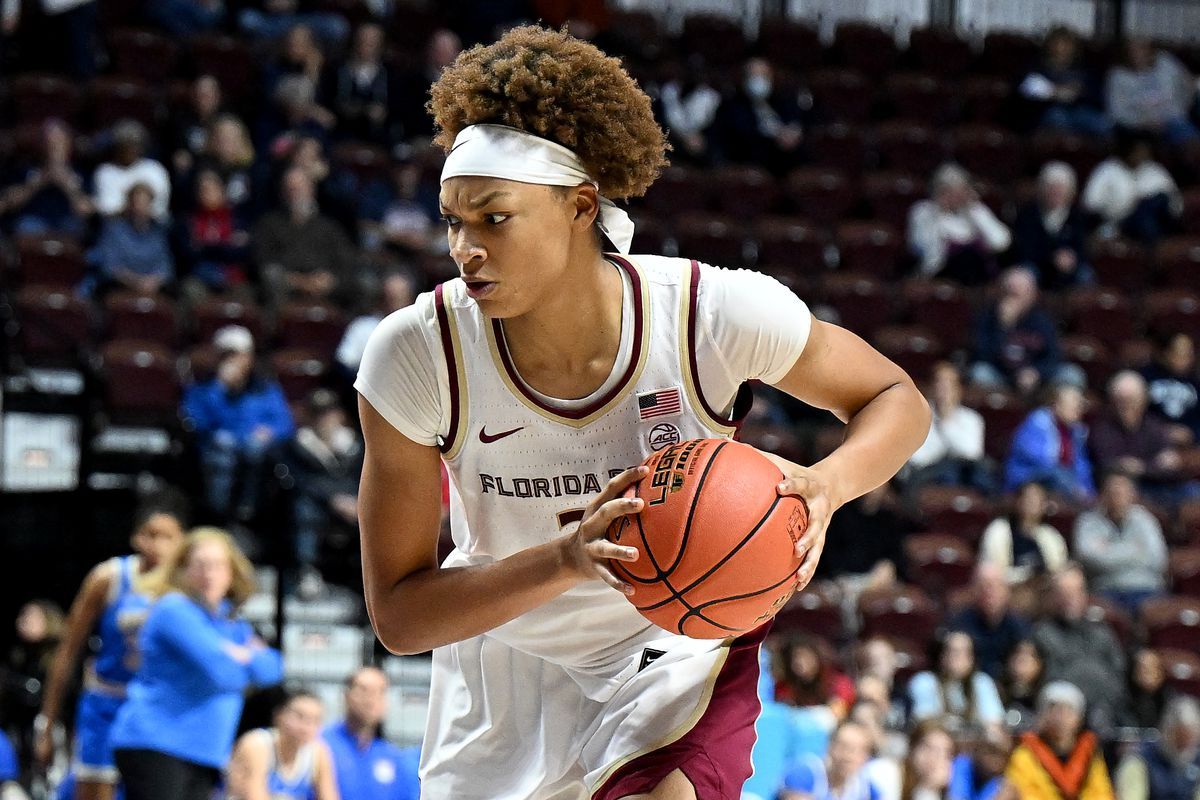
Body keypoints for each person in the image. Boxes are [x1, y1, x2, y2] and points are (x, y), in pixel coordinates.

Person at [354, 25, 931, 800]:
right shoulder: (419, 353)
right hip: (504, 663)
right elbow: (400, 615)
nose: (465, 248)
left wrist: (826, 487)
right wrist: (566, 558)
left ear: (581, 206)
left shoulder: (711, 314)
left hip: (675, 650)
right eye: (454, 220)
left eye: (494, 218)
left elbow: (898, 400)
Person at [32, 492, 187, 800]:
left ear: (182, 542)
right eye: (151, 535)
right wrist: (47, 723)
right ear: (135, 537)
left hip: (156, 708)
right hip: (107, 701)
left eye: (168, 537)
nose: (158, 545)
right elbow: (67, 651)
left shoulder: (186, 585)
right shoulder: (109, 577)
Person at [110, 528, 283, 800]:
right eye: (200, 565)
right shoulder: (173, 610)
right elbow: (223, 673)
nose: (209, 573)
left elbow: (273, 669)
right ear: (183, 570)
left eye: (217, 565)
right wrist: (244, 656)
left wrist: (238, 654)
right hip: (156, 742)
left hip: (205, 751)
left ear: (231, 572)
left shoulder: (231, 622)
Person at [181, 325, 295, 523]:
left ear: (250, 358)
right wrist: (222, 389)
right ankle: (218, 515)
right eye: (226, 355)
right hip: (216, 454)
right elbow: (198, 423)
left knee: (255, 448)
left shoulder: (266, 390)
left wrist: (270, 432)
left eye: (238, 355)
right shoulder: (203, 390)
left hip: (257, 456)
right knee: (224, 444)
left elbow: (285, 423)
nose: (233, 361)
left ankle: (249, 513)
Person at [283, 388, 364, 596]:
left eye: (329, 413)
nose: (324, 419)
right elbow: (299, 480)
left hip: (354, 503)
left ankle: (367, 579)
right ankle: (307, 571)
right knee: (303, 510)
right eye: (318, 413)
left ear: (339, 415)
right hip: (318, 506)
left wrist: (356, 501)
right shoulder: (296, 445)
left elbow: (364, 478)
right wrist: (332, 499)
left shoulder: (356, 446)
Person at [1031, 564, 1128, 730]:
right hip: (1061, 718)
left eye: (1076, 591)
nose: (1071, 598)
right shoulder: (1041, 634)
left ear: (1085, 594)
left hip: (1106, 713)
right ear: (1054, 596)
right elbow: (1048, 682)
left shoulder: (1102, 633)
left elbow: (1119, 676)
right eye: (1064, 592)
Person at [252, 166, 354, 311]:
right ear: (282, 192)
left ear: (311, 190)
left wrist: (328, 280)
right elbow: (263, 260)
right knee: (271, 277)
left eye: (300, 188)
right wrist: (297, 281)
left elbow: (346, 261)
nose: (295, 194)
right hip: (287, 284)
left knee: (358, 282)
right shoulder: (269, 224)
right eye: (290, 189)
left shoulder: (329, 227)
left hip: (324, 287)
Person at [1072, 470, 1168, 613]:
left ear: (1132, 495)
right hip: (1105, 591)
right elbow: (1088, 558)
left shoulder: (1145, 520)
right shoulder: (1087, 522)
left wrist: (1108, 550)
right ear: (1102, 494)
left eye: (1122, 491)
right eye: (1112, 492)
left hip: (1146, 589)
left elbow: (1158, 560)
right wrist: (1136, 550)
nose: (1117, 496)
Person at [1089, 371, 1191, 504]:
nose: (1126, 406)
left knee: (1192, 491)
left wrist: (1141, 468)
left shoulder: (1154, 426)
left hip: (1161, 486)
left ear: (1143, 400)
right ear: (1112, 402)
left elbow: (1170, 464)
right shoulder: (1101, 430)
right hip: (1127, 493)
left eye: (1131, 400)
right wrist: (1153, 465)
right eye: (1120, 401)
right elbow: (1111, 467)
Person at [1003, 681, 1114, 799]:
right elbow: (1025, 792)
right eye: (1053, 709)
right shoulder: (1025, 752)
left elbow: (1101, 793)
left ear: (1079, 719)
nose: (1060, 718)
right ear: (1042, 716)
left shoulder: (1090, 752)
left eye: (1068, 711)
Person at [970, 267, 1071, 396]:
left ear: (1031, 295)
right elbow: (982, 354)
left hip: (1037, 379)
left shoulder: (1042, 321)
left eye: (1018, 294)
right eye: (1009, 293)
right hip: (1001, 377)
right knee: (979, 373)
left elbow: (1054, 355)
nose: (1013, 300)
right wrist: (1002, 327)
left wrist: (1036, 372)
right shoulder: (988, 319)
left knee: (1071, 375)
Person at [322, 667, 420, 800]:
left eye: (380, 692)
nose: (371, 700)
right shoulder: (320, 745)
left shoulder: (394, 757)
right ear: (346, 695)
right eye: (363, 690)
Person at [907, 164, 1010, 285]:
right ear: (940, 191)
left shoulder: (975, 210)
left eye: (963, 190)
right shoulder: (923, 211)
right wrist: (939, 213)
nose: (959, 197)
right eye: (951, 191)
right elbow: (923, 249)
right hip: (941, 274)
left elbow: (1001, 242)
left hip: (979, 274)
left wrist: (974, 210)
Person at [226, 690, 339, 800]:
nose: (306, 727)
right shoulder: (256, 744)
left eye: (315, 720)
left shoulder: (318, 752)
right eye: (299, 717)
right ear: (279, 716)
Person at [0, 117, 94, 238]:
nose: (53, 147)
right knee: (25, 226)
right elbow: (10, 202)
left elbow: (86, 210)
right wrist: (40, 181)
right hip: (34, 221)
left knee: (77, 229)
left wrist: (67, 186)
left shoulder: (81, 173)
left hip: (67, 222)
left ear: (68, 144)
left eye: (58, 142)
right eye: (49, 142)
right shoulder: (26, 169)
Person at [2, 600, 64, 779]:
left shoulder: (59, 659)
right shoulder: (17, 656)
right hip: (18, 730)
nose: (23, 621)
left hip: (52, 728)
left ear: (49, 620)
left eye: (31, 616)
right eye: (22, 616)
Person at [1082, 132, 1181, 244]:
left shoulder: (1155, 170)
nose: (1141, 155)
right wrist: (1126, 205)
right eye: (1138, 151)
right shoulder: (1108, 169)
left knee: (1159, 200)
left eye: (1144, 152)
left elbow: (1176, 204)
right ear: (1128, 151)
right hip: (1119, 222)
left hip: (1156, 221)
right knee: (1145, 218)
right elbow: (1090, 203)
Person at [715, 56, 808, 174]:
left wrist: (792, 132)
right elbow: (739, 134)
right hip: (750, 160)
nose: (758, 80)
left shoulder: (784, 100)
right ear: (744, 79)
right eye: (753, 75)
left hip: (786, 162)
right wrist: (774, 135)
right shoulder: (732, 105)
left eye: (763, 75)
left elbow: (797, 121)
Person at [905, 362, 988, 493]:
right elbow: (916, 458)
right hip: (927, 476)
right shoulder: (918, 416)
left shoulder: (972, 419)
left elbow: (972, 453)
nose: (944, 389)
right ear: (931, 387)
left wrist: (945, 420)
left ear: (958, 389)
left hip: (961, 476)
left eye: (949, 384)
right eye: (940, 383)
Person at [1004, 382, 1095, 501]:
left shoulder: (1076, 432)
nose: (1078, 410)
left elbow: (1081, 466)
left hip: (1061, 480)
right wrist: (1071, 482)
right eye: (1074, 406)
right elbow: (1035, 457)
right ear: (1056, 405)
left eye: (1079, 407)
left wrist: (1088, 490)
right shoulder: (1037, 422)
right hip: (1028, 475)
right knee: (1057, 474)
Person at [82, 183, 175, 298]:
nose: (140, 207)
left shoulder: (158, 232)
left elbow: (166, 267)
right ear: (129, 204)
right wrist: (136, 282)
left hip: (152, 288)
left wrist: (152, 282)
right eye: (136, 202)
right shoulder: (114, 229)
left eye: (144, 203)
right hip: (119, 287)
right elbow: (109, 266)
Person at [1011, 162, 1092, 292]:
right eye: (1051, 188)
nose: (1056, 192)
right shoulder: (1028, 215)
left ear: (1070, 192)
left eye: (1061, 189)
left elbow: (1082, 247)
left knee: (1085, 274)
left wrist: (1071, 257)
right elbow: (1024, 250)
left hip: (1068, 268)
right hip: (1037, 265)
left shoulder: (1077, 217)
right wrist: (1052, 257)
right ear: (1041, 189)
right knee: (1024, 273)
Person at [1018, 27, 1110, 138]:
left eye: (1066, 44)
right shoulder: (1037, 66)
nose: (1061, 48)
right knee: (1057, 117)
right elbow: (1026, 90)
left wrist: (1079, 93)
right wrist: (1053, 92)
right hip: (1049, 110)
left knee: (1102, 122)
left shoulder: (1083, 69)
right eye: (1057, 43)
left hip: (1078, 109)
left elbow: (1096, 96)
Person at [1106, 38, 1199, 147]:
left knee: (1187, 135)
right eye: (1134, 49)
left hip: (1173, 118)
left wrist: (1181, 108)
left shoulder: (1166, 62)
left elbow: (1187, 83)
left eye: (1144, 48)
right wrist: (1142, 124)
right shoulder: (1118, 76)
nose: (1140, 53)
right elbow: (1116, 112)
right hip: (1140, 124)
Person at [907, 631, 1005, 733]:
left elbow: (994, 723)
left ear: (972, 658)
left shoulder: (982, 682)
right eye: (952, 651)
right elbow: (924, 722)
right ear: (941, 655)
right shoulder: (925, 681)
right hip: (938, 744)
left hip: (974, 743)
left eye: (963, 652)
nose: (957, 657)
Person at [949, 564, 1032, 681]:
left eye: (995, 586)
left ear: (1006, 590)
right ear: (974, 590)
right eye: (983, 587)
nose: (989, 592)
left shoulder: (1019, 625)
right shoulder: (960, 624)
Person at [977, 482, 1068, 587]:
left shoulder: (1051, 536)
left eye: (1037, 499)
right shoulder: (998, 529)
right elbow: (994, 570)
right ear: (1018, 501)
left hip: (1043, 591)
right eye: (1028, 498)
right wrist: (1025, 577)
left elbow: (1058, 571)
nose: (1032, 503)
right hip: (1008, 588)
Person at [1114, 695, 1200, 800]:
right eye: (1181, 739)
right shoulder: (1138, 760)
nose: (1186, 747)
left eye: (1191, 740)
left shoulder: (1197, 760)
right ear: (1168, 733)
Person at [326, 22, 394, 144]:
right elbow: (327, 104)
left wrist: (383, 114)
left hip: (379, 138)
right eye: (362, 40)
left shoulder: (390, 75)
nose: (366, 45)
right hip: (340, 134)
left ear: (381, 44)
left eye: (372, 41)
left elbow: (399, 109)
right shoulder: (336, 71)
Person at [92, 120, 171, 222]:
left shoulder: (154, 169)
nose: (130, 149)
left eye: (134, 144)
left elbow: (160, 208)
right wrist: (136, 208)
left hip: (152, 225)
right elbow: (107, 208)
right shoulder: (105, 172)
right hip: (117, 225)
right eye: (125, 144)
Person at [781, 720, 880, 800]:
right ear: (830, 747)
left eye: (857, 751)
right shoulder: (805, 773)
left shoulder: (865, 788)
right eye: (843, 747)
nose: (848, 757)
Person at [774, 635, 855, 721]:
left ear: (816, 656)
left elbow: (840, 711)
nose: (800, 663)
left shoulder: (837, 682)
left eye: (805, 656)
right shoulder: (785, 688)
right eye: (795, 659)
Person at [1141, 331, 1200, 442]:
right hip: (1152, 442)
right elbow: (1136, 415)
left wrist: (1192, 432)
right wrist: (1161, 430)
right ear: (1165, 353)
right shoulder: (1144, 378)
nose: (1188, 358)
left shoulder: (1195, 382)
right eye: (1182, 353)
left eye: (1190, 353)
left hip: (1189, 443)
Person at [1118, 648, 1174, 730]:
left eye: (1152, 670)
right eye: (1143, 669)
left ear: (1161, 674)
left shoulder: (1169, 698)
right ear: (1133, 672)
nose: (1147, 675)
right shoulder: (1122, 698)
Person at [948, 728, 1010, 800]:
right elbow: (956, 796)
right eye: (991, 751)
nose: (996, 760)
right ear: (978, 748)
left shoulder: (1000, 782)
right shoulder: (961, 766)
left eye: (1003, 755)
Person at [900, 720, 955, 800]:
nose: (936, 758)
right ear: (912, 749)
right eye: (929, 748)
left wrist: (930, 788)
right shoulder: (890, 778)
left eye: (946, 752)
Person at [999, 640, 1043, 731]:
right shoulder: (994, 692)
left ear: (1039, 664)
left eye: (1029, 655)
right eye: (1017, 653)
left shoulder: (1044, 697)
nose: (1022, 659)